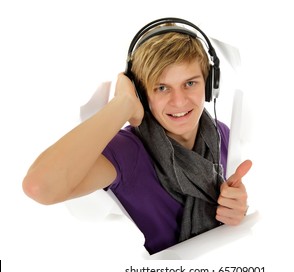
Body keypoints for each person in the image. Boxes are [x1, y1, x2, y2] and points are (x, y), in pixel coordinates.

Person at [22, 18, 252, 255]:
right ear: (141, 94)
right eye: (161, 87)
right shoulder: (125, 152)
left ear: (210, 84)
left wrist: (236, 211)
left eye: (190, 83)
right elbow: (40, 186)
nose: (179, 101)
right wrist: (122, 103)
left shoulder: (219, 134)